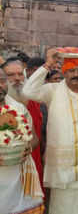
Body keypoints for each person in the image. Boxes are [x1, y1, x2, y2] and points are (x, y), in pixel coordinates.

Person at [22, 51, 78, 214]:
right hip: (63, 166)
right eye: (71, 70)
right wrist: (47, 65)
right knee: (64, 205)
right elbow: (28, 92)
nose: (75, 74)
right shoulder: (52, 91)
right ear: (64, 72)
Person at [0, 68, 44, 214]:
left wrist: (27, 148)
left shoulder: (18, 107)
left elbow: (34, 139)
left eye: (1, 81)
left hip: (17, 179)